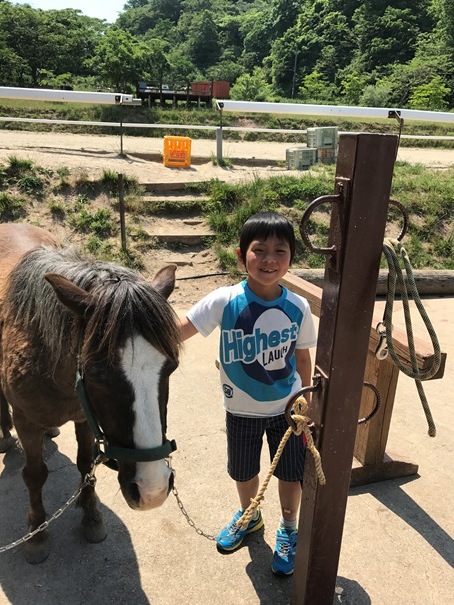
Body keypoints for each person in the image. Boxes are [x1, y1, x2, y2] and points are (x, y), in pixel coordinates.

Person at [179, 211, 317, 576]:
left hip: (288, 410)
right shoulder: (223, 301)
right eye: (259, 250)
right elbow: (179, 330)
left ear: (291, 259)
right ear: (242, 256)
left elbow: (302, 356)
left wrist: (308, 397)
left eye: (280, 251)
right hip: (240, 409)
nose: (269, 259)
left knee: (290, 474)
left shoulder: (298, 306)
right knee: (243, 471)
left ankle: (289, 529)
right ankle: (249, 515)